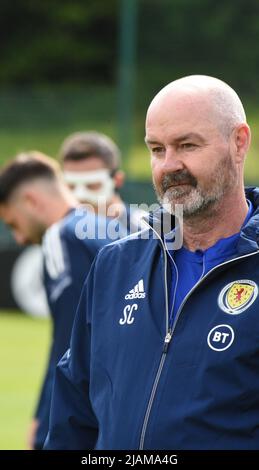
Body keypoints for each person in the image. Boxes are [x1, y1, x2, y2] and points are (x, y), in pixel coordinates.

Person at [45, 75, 259, 450]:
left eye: (187, 145)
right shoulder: (115, 264)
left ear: (238, 143)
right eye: (157, 149)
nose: (168, 165)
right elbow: (72, 414)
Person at [0, 151, 117, 450]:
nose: (20, 239)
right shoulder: (104, 227)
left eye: (13, 224)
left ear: (30, 201)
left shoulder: (61, 237)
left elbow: (72, 347)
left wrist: (44, 431)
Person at [60, 131, 145, 232]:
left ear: (117, 180)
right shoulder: (53, 236)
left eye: (91, 185)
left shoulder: (148, 233)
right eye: (71, 186)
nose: (80, 196)